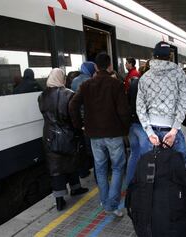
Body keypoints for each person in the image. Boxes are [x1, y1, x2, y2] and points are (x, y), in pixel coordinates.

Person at [69, 53, 130, 217]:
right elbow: (124, 112)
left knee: (100, 168)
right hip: (114, 134)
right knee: (117, 168)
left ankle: (104, 201)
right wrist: (125, 129)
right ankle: (112, 204)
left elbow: (73, 105)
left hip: (94, 135)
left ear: (95, 67)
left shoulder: (86, 84)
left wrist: (79, 125)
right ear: (110, 66)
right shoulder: (116, 84)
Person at [38, 68, 89, 211]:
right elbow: (76, 116)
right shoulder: (69, 95)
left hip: (49, 136)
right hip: (68, 134)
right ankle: (75, 188)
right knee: (71, 161)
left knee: (56, 168)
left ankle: (59, 200)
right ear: (62, 78)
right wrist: (80, 127)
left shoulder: (42, 96)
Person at [136, 41, 186, 161]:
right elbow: (183, 102)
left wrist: (149, 133)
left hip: (151, 131)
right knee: (177, 170)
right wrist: (174, 130)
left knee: (150, 171)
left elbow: (140, 108)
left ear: (154, 56)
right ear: (170, 56)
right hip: (171, 130)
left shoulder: (145, 77)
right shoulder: (179, 74)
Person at [125, 61, 151, 185]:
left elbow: (128, 102)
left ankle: (130, 183)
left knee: (134, 154)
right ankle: (144, 184)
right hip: (143, 125)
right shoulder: (149, 85)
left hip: (132, 123)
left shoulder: (134, 83)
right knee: (147, 155)